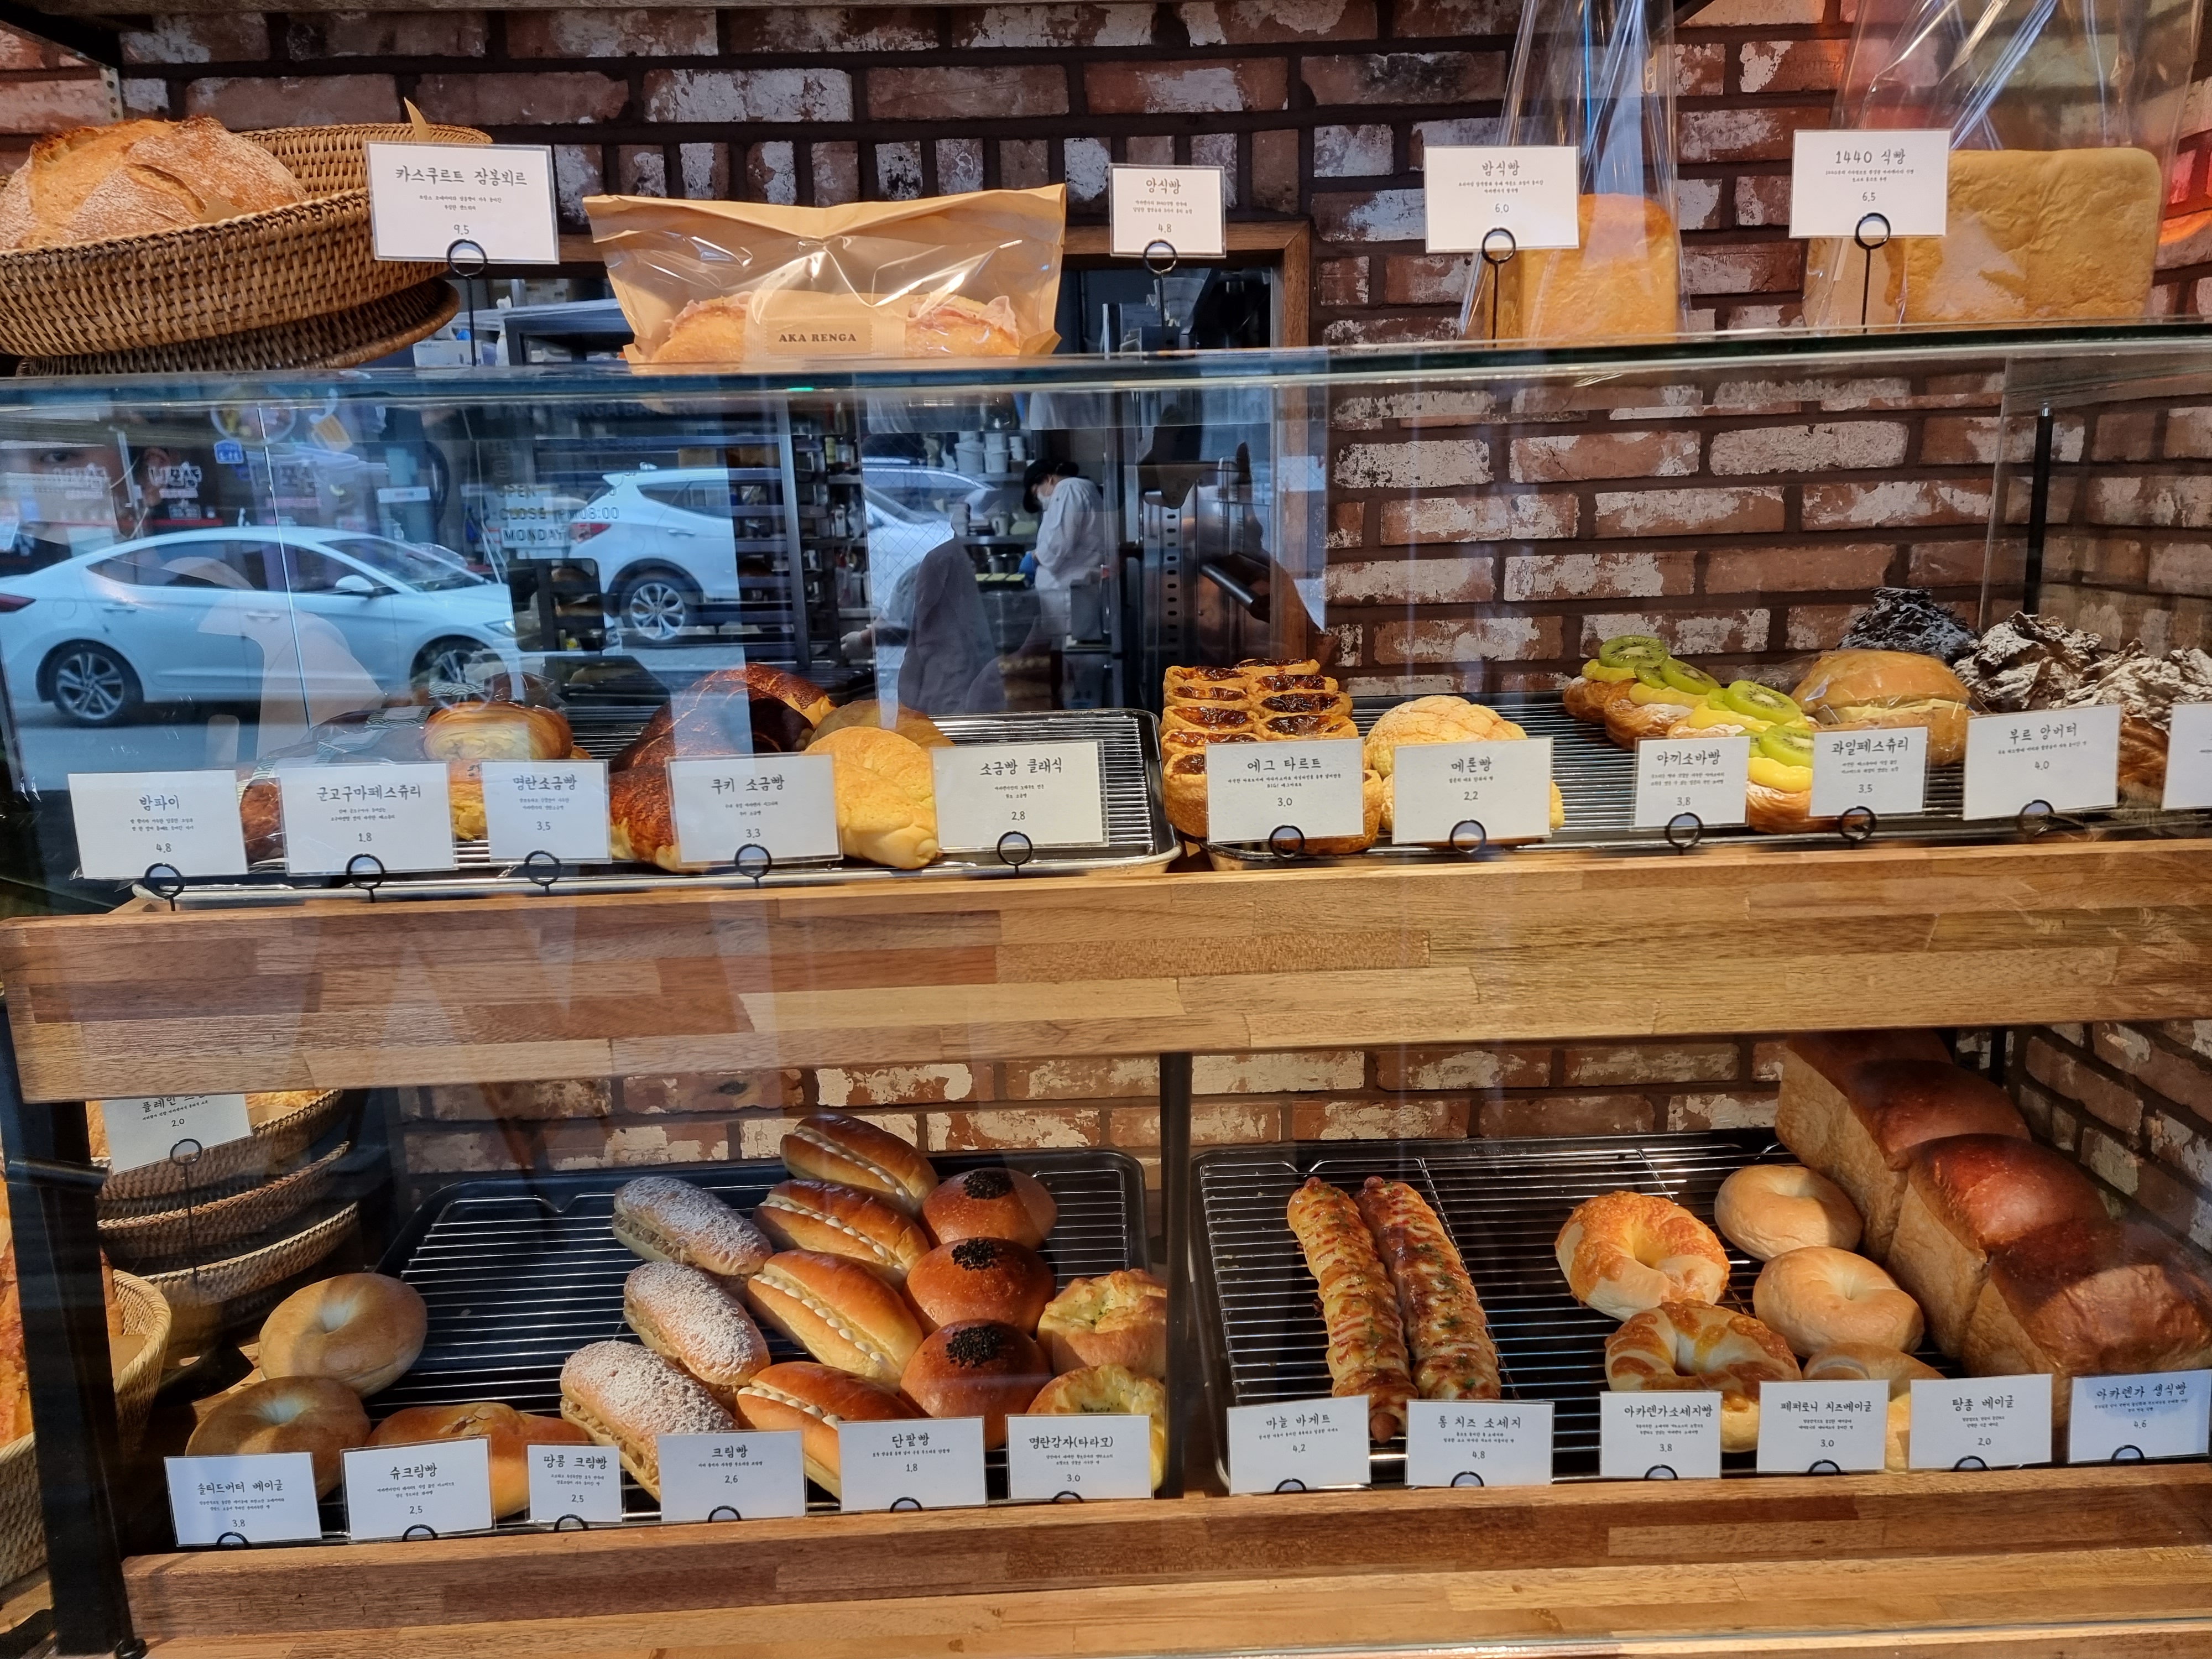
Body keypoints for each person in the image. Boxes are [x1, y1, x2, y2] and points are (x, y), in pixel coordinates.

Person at [1020, 457, 1110, 649]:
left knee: (1073, 657)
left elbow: (1058, 545)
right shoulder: (1080, 489)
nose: (1040, 500)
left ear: (1049, 479)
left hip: (1069, 600)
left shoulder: (1069, 488)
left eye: (1036, 493)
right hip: (1074, 597)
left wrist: (1034, 558)